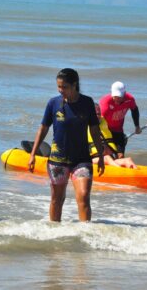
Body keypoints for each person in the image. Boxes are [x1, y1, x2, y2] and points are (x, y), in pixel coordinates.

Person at [28, 68, 105, 222]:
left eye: (64, 87)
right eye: (59, 87)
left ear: (74, 85)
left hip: (81, 159)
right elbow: (43, 128)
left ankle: (85, 234)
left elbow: (95, 130)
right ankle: (55, 233)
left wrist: (101, 156)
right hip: (58, 160)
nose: (60, 90)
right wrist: (33, 154)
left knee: (83, 196)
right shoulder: (53, 103)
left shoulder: (87, 103)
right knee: (57, 199)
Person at [99, 81, 141, 158]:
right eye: (115, 96)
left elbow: (134, 110)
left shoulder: (130, 99)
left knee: (120, 156)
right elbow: (98, 121)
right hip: (105, 131)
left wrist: (137, 126)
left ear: (124, 94)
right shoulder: (106, 102)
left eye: (120, 97)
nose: (117, 99)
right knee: (108, 156)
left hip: (118, 130)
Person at [88, 104, 137, 169]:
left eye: (99, 114)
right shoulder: (83, 125)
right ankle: (121, 171)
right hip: (93, 160)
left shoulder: (104, 121)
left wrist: (122, 140)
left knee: (127, 160)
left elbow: (117, 131)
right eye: (95, 114)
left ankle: (136, 173)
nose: (97, 116)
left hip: (108, 157)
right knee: (107, 158)